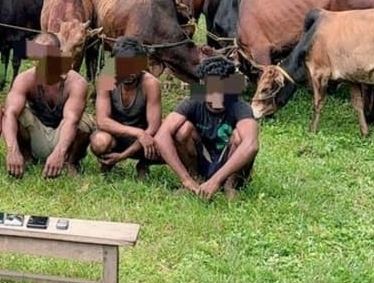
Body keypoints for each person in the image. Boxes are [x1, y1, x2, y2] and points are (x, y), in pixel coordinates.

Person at [155, 55, 260, 200]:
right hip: (201, 160)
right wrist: (185, 179)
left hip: (228, 163)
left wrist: (215, 181)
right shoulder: (193, 100)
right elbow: (161, 136)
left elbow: (251, 146)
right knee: (182, 130)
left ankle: (230, 185)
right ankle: (195, 178)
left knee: (239, 136)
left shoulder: (239, 106)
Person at [1, 32, 94, 178]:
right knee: (13, 114)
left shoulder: (76, 82)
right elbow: (10, 113)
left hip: (63, 136)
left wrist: (59, 153)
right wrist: (12, 150)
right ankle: (25, 157)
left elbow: (71, 120)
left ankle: (70, 162)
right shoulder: (25, 79)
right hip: (36, 133)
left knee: (84, 122)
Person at [89, 37, 162, 178]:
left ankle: (144, 163)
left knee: (167, 142)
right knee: (100, 142)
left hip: (144, 140)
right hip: (118, 134)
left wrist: (123, 156)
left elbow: (153, 128)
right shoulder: (107, 75)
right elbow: (102, 120)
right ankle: (107, 162)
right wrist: (137, 133)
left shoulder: (151, 84)